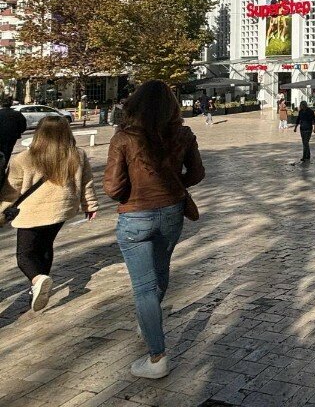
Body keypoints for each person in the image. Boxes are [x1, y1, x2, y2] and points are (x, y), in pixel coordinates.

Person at [103, 80, 204, 379]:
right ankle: (148, 321)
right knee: (160, 272)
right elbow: (197, 173)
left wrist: (139, 189)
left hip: (136, 214)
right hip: (172, 211)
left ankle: (157, 356)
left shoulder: (124, 138)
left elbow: (111, 187)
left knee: (144, 287)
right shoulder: (183, 134)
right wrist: (171, 186)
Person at [0, 116, 99, 312]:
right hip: (61, 210)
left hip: (32, 213)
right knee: (45, 246)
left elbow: (11, 192)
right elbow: (87, 181)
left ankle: (38, 280)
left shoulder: (24, 159)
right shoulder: (77, 155)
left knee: (25, 255)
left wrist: (1, 213)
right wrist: (90, 205)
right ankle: (39, 285)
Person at [0, 94, 28, 173]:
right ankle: (3, 168)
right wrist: (17, 133)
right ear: (11, 104)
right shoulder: (17, 114)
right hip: (11, 138)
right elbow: (23, 126)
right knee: (7, 153)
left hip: (3, 137)